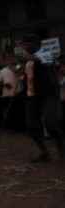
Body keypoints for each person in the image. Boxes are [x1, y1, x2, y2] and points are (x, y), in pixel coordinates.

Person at [21, 34, 65, 162]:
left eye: (27, 44)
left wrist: (25, 58)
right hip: (32, 95)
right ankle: (44, 152)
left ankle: (61, 149)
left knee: (50, 122)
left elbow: (39, 60)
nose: (25, 47)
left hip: (48, 93)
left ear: (36, 44)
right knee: (31, 125)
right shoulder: (28, 60)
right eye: (23, 45)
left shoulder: (46, 54)